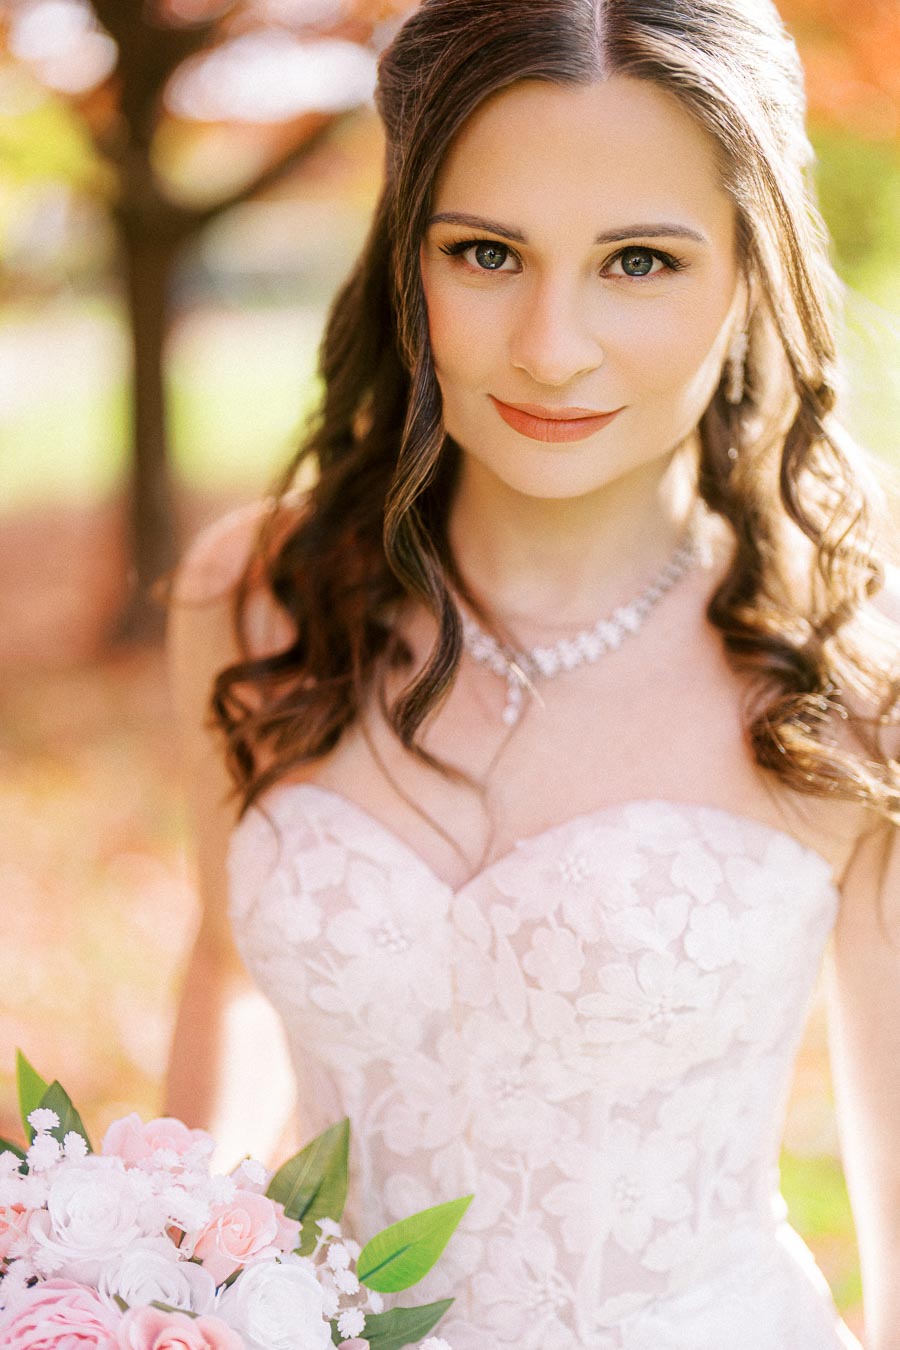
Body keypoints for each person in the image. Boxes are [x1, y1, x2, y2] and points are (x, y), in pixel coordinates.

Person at [164, 1, 900, 1345]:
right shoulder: (256, 600)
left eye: (639, 261)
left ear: (752, 267)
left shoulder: (855, 656)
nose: (552, 346)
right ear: (407, 260)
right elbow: (224, 980)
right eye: (488, 252)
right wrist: (154, 1289)